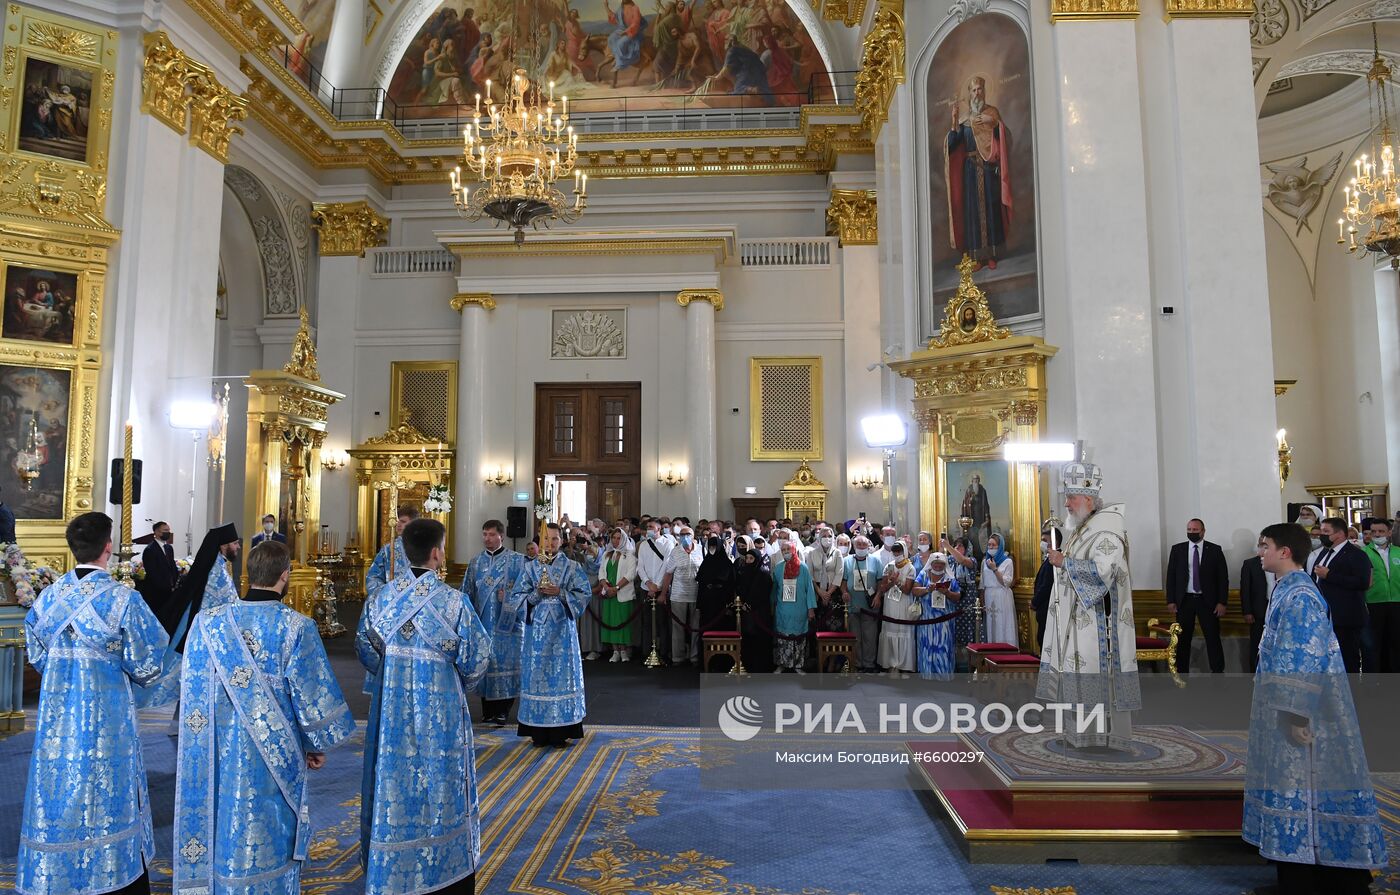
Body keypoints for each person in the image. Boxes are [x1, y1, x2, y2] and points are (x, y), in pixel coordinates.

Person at [173, 541, 354, 894]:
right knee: (267, 825)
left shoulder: (207, 624)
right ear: (284, 577)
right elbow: (314, 700)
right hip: (274, 757)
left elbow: (191, 687)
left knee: (221, 815)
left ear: (249, 575)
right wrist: (313, 744)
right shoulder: (296, 627)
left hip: (214, 751)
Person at [19, 512, 169, 895]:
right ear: (107, 547)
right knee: (108, 794)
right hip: (108, 721)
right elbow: (151, 664)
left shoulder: (47, 598)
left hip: (56, 719)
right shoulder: (123, 599)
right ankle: (112, 878)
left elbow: (37, 657)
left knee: (58, 794)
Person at [1242, 522, 1387, 895]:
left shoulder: (1300, 596)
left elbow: (1302, 658)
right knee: (1295, 787)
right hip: (1285, 709)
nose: (1261, 552)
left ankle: (1310, 878)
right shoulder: (1287, 590)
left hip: (1303, 714)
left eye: (1265, 545)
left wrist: (1295, 714)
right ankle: (1300, 872)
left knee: (1303, 786)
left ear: (1284, 552)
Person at [358, 517, 493, 894]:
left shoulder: (382, 600)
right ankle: (445, 872)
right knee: (442, 783)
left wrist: (393, 671)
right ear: (437, 553)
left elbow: (365, 650)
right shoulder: (453, 603)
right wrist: (456, 682)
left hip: (392, 714)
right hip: (442, 715)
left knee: (394, 782)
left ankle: (391, 868)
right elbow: (478, 658)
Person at [1038, 462, 1140, 751]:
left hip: (1098, 626)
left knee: (1095, 677)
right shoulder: (1085, 528)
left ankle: (1102, 739)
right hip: (1081, 623)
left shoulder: (1106, 530)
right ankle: (1082, 736)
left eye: (1071, 497)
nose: (1066, 504)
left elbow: (1103, 574)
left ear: (1089, 500)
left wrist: (1064, 562)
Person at [507, 523, 591, 747]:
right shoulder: (529, 568)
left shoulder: (572, 567)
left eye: (555, 539)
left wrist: (561, 592)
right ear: (540, 542)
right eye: (546, 539)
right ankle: (538, 731)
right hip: (537, 633)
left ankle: (563, 729)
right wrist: (535, 596)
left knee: (561, 677)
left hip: (563, 632)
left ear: (561, 540)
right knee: (537, 678)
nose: (550, 543)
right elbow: (516, 598)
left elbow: (584, 594)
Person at [141, 523, 241, 710]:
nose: (238, 547)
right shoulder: (216, 570)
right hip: (204, 633)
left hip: (198, 627)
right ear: (223, 545)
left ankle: (179, 721)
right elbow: (228, 602)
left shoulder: (217, 564)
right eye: (235, 543)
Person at [461, 519, 526, 725]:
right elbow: (467, 593)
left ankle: (503, 711)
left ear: (501, 536)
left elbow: (525, 592)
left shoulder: (518, 561)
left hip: (507, 627)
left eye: (491, 535)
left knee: (505, 666)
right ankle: (488, 711)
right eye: (484, 534)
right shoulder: (476, 562)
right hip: (482, 626)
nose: (487, 538)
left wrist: (507, 598)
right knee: (485, 667)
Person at [1164, 518, 1228, 674]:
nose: (1192, 533)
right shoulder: (1177, 550)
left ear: (1203, 531)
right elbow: (1171, 576)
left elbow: (1222, 578)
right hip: (1185, 600)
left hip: (1208, 602)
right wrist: (1171, 600)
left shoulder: (1214, 550)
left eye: (1195, 530)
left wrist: (1222, 602)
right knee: (1183, 638)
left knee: (1212, 637)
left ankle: (1218, 671)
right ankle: (1181, 671)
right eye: (1189, 530)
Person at [1312, 516, 1372, 674]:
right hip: (1326, 615)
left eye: (1326, 532)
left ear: (1339, 534)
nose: (1321, 535)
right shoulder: (1324, 552)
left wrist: (1330, 575)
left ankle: (1351, 693)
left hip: (1346, 616)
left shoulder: (1356, 555)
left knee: (1347, 658)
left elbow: (1362, 582)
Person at [660, 525, 703, 666]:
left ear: (693, 535)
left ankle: (694, 656)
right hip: (678, 594)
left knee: (695, 627)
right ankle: (677, 657)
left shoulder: (701, 550)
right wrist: (663, 593)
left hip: (696, 593)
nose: (685, 537)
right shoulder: (675, 551)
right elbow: (668, 574)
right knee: (678, 627)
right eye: (682, 534)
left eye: (688, 534)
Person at [770, 538, 815, 674]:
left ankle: (797, 665)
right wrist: (771, 606)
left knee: (799, 638)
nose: (786, 552)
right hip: (783, 609)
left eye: (788, 549)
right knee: (782, 638)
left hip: (799, 609)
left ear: (794, 550)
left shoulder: (803, 568)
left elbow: (809, 589)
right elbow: (774, 589)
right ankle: (782, 664)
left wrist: (811, 609)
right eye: (783, 550)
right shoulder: (778, 568)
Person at [913, 552, 960, 679]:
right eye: (935, 563)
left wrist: (947, 592)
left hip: (944, 621)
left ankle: (943, 675)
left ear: (945, 564)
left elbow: (957, 596)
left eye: (941, 564)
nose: (938, 566)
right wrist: (927, 589)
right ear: (931, 563)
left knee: (943, 647)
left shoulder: (950, 578)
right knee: (926, 646)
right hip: (926, 620)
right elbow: (915, 590)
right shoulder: (923, 575)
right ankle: (926, 675)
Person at [1362, 517, 1400, 673]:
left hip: (1397, 602)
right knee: (1375, 644)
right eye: (1373, 532)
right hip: (1373, 602)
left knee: (1396, 643)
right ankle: (1376, 682)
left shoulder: (1398, 552)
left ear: (1389, 532)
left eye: (1381, 531)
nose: (1377, 534)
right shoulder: (1363, 553)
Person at [841, 535, 884, 672]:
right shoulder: (847, 561)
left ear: (868, 546)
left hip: (870, 605)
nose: (861, 547)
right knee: (856, 637)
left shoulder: (875, 561)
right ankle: (857, 663)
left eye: (864, 545)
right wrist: (844, 592)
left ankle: (869, 664)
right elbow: (842, 581)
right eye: (858, 545)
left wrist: (878, 596)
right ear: (854, 546)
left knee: (870, 637)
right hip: (853, 605)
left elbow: (880, 582)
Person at [876, 542, 918, 678]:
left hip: (904, 603)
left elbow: (907, 590)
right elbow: (882, 588)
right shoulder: (889, 566)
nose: (896, 554)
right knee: (890, 629)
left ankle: (903, 667)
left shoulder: (910, 568)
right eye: (894, 552)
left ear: (904, 551)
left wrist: (897, 581)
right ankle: (888, 664)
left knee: (903, 631)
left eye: (899, 552)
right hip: (890, 603)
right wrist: (890, 582)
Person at [635, 518, 672, 663]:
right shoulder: (644, 545)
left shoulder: (668, 544)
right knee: (646, 621)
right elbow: (640, 566)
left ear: (659, 528)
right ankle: (646, 651)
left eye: (651, 526)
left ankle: (663, 652)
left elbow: (667, 566)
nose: (648, 529)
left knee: (662, 621)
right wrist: (648, 583)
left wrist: (657, 586)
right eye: (647, 527)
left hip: (661, 588)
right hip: (646, 588)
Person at [597, 528, 637, 662]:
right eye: (613, 538)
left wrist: (616, 587)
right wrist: (606, 586)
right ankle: (615, 651)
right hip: (609, 593)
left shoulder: (630, 555)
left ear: (624, 539)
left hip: (622, 593)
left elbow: (631, 574)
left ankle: (624, 651)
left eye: (619, 538)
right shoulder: (607, 554)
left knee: (622, 622)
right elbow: (601, 572)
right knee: (610, 622)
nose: (616, 540)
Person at [365, 506, 417, 601]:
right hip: (391, 600)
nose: (398, 524)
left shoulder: (424, 548)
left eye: (403, 521)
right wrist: (385, 593)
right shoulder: (388, 549)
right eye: (397, 521)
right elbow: (373, 576)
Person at [1239, 537, 1275, 673]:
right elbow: (1245, 589)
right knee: (1256, 644)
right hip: (1257, 611)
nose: (1264, 548)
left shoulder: (1278, 562)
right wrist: (1247, 611)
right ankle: (1254, 673)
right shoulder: (1250, 564)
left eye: (1267, 545)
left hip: (1275, 609)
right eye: (1262, 545)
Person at [696, 534, 735, 642]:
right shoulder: (706, 563)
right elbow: (701, 583)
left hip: (722, 601)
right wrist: (699, 603)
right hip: (707, 602)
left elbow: (731, 585)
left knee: (722, 628)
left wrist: (730, 605)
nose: (712, 549)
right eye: (710, 546)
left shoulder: (727, 564)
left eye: (714, 546)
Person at [981, 532, 1016, 647]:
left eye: (993, 545)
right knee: (991, 626)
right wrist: (983, 602)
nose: (990, 547)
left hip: (1002, 594)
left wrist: (995, 569)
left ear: (1000, 546)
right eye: (989, 545)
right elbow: (982, 583)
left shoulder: (1007, 561)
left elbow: (1006, 582)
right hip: (989, 594)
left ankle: (1006, 652)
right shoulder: (985, 562)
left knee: (1003, 624)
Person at [137, 520, 179, 614]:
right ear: (156, 532)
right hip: (156, 592)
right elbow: (152, 572)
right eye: (165, 530)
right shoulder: (150, 549)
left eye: (168, 530)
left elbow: (172, 566)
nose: (167, 532)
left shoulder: (169, 548)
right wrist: (166, 586)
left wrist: (174, 583)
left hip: (169, 591)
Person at [1031, 527, 1057, 651]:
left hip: (1047, 607)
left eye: (1044, 540)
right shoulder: (1049, 560)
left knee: (1045, 640)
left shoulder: (1054, 561)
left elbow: (1046, 586)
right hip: (1043, 609)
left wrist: (1034, 602)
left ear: (1053, 542)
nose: (1042, 543)